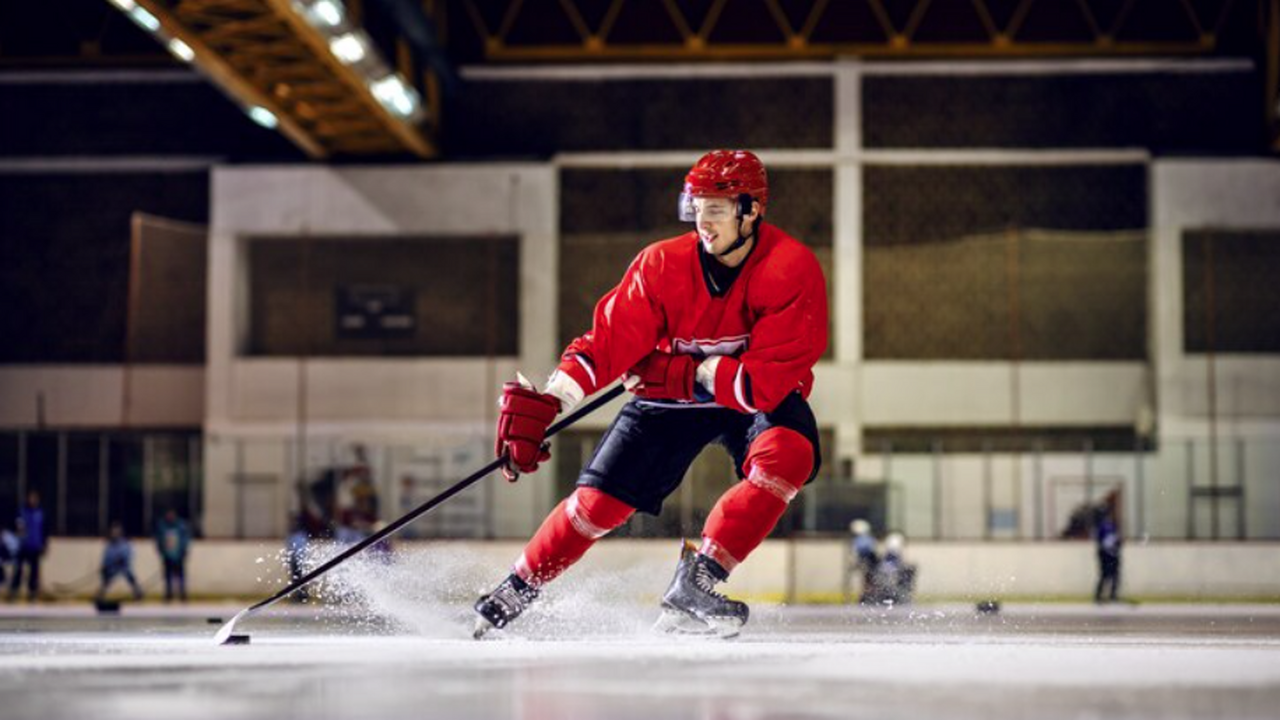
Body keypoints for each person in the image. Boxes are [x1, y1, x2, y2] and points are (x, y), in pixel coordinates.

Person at [475, 150, 828, 638]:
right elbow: (607, 344)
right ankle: (517, 587)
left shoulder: (790, 269)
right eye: (696, 207)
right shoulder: (661, 264)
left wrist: (680, 372)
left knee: (787, 456)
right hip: (670, 400)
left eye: (718, 209)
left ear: (753, 210)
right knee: (598, 504)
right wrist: (554, 400)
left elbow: (760, 384)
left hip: (744, 400)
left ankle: (698, 579)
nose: (704, 222)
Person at [7, 491, 47, 602]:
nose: (33, 500)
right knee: (18, 570)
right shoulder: (22, 512)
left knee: (34, 572)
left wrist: (44, 544)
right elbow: (16, 526)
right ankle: (14, 591)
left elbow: (44, 530)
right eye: (31, 498)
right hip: (23, 546)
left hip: (35, 546)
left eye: (35, 498)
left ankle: (32, 592)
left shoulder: (40, 513)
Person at [96, 522, 143, 601]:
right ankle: (101, 595)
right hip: (113, 567)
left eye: (117, 532)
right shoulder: (110, 545)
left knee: (131, 577)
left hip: (123, 567)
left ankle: (138, 593)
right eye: (113, 532)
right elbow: (107, 557)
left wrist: (124, 559)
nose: (115, 534)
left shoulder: (125, 543)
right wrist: (104, 565)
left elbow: (130, 553)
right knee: (106, 579)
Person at [154, 509, 191, 603]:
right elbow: (159, 539)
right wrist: (161, 550)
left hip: (178, 554)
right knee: (167, 575)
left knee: (180, 575)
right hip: (167, 555)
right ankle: (168, 594)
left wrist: (184, 550)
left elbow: (185, 538)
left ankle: (182, 594)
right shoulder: (162, 525)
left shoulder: (181, 525)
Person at [1094, 500, 1122, 603]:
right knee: (1105, 575)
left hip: (1111, 554)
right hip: (1106, 554)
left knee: (1114, 575)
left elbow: (1116, 540)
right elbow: (1101, 541)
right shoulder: (1103, 526)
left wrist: (1116, 547)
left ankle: (1111, 595)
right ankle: (1100, 596)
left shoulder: (1112, 525)